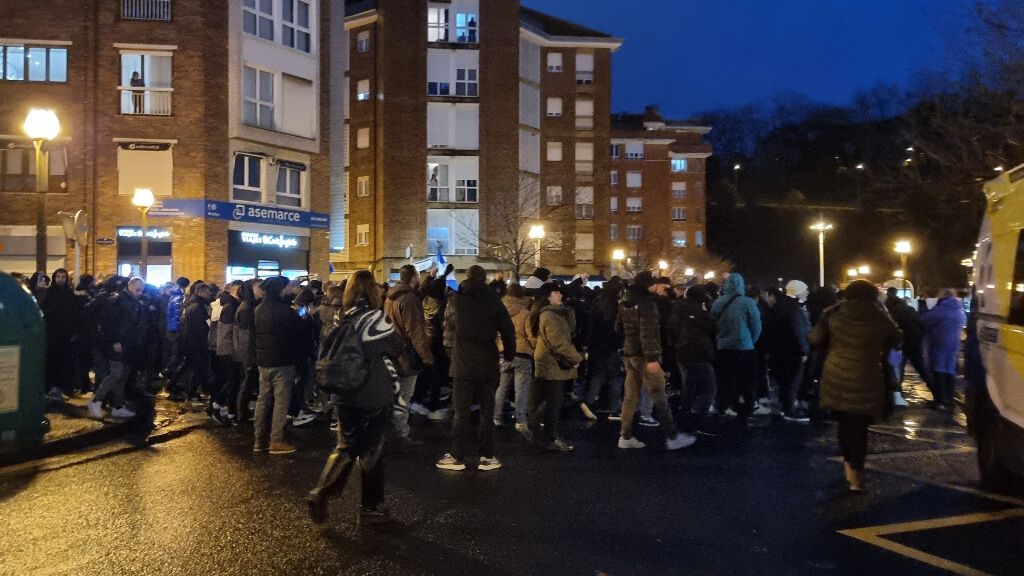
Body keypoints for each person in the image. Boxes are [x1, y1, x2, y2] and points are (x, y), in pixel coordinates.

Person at [307, 270, 403, 526]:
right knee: (372, 450)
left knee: (346, 445)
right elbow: (396, 347)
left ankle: (320, 492)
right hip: (372, 391)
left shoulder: (341, 316)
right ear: (373, 290)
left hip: (345, 391)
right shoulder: (376, 318)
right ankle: (372, 508)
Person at [810, 280, 901, 491]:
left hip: (837, 374)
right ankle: (856, 473)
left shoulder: (832, 313)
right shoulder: (879, 314)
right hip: (868, 374)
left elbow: (814, 339)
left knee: (844, 423)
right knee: (860, 427)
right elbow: (897, 338)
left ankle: (848, 466)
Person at [436, 265, 516, 472]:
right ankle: (487, 456)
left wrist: (443, 275)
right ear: (485, 280)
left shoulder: (457, 300)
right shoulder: (495, 303)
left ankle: (457, 456)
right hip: (488, 364)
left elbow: (443, 317)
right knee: (487, 413)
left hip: (462, 364)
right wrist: (508, 356)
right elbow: (508, 331)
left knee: (461, 412)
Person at [615, 271, 696, 451]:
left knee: (630, 397)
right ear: (647, 285)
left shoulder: (624, 301)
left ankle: (625, 435)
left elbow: (618, 328)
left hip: (630, 354)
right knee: (659, 395)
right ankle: (672, 436)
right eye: (652, 283)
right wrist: (652, 358)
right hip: (645, 356)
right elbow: (648, 332)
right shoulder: (647, 303)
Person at [254, 276, 306, 454]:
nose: (287, 291)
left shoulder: (259, 309)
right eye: (285, 288)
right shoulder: (284, 310)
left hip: (263, 360)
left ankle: (259, 439)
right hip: (282, 360)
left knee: (263, 400)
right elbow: (299, 332)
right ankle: (276, 440)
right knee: (281, 402)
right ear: (279, 290)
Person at [383, 265, 435, 447]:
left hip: (391, 351)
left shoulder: (391, 296)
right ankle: (401, 433)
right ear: (413, 278)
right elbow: (415, 331)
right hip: (406, 355)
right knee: (404, 395)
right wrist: (427, 356)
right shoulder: (409, 299)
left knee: (394, 393)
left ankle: (390, 430)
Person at [529, 283, 582, 452]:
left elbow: (568, 332)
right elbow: (559, 341)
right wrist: (576, 358)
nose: (560, 296)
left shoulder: (554, 313)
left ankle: (537, 429)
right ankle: (549, 437)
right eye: (556, 293)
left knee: (545, 400)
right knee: (553, 402)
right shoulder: (549, 315)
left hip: (548, 361)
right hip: (551, 363)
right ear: (548, 296)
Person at [88, 277, 147, 419]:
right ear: (130, 285)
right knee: (116, 374)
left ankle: (118, 406)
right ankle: (96, 401)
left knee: (123, 375)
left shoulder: (132, 301)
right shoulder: (120, 300)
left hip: (128, 344)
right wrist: (115, 341)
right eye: (137, 287)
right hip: (119, 344)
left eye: (141, 288)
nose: (139, 291)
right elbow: (111, 322)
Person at [711, 273, 762, 424]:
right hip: (743, 347)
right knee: (746, 381)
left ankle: (723, 407)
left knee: (725, 379)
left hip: (723, 347)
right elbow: (756, 325)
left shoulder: (717, 302)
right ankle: (745, 409)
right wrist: (750, 341)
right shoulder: (747, 302)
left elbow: (713, 324)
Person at [669, 284, 717, 426]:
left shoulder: (676, 308)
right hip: (699, 353)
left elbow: (671, 330)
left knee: (688, 385)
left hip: (681, 353)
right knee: (709, 386)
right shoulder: (700, 311)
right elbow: (713, 328)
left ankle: (685, 412)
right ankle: (700, 416)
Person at [768, 280, 812, 422]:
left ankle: (783, 407)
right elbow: (799, 331)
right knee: (793, 381)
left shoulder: (779, 305)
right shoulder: (794, 308)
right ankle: (790, 410)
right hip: (793, 351)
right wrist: (805, 350)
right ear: (798, 291)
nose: (807, 293)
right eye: (805, 290)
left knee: (783, 381)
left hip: (779, 350)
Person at [581, 277, 624, 420]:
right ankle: (614, 408)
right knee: (615, 377)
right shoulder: (611, 304)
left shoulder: (598, 300)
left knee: (597, 375)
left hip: (595, 344)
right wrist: (617, 342)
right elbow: (611, 327)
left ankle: (589, 402)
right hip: (607, 345)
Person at [494, 283, 533, 436]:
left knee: (502, 387)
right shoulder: (525, 312)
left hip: (504, 352)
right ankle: (520, 420)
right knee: (521, 389)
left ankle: (496, 417)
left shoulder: (500, 309)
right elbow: (530, 335)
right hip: (522, 353)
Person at [920, 289, 967, 411]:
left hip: (939, 342)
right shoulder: (959, 310)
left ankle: (940, 400)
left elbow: (925, 319)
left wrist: (928, 307)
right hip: (954, 345)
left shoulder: (940, 309)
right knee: (949, 371)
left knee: (938, 370)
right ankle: (949, 399)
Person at [43, 268, 77, 401]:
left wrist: (74, 331)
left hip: (65, 334)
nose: (60, 279)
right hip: (52, 333)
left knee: (64, 361)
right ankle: (51, 387)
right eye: (58, 276)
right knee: (52, 361)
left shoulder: (70, 294)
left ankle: (62, 387)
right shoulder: (48, 293)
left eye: (63, 277)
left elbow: (74, 314)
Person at [180, 283, 212, 404]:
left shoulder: (190, 304)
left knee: (192, 368)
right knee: (196, 369)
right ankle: (192, 393)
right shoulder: (198, 306)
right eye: (207, 293)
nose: (209, 295)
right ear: (201, 292)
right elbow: (201, 328)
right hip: (196, 343)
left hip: (189, 341)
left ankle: (192, 391)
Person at [233, 280, 259, 423]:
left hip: (250, 352)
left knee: (249, 382)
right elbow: (246, 336)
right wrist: (249, 358)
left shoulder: (250, 306)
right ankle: (241, 412)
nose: (261, 290)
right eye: (258, 287)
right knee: (247, 383)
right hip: (249, 353)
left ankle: (242, 411)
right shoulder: (246, 308)